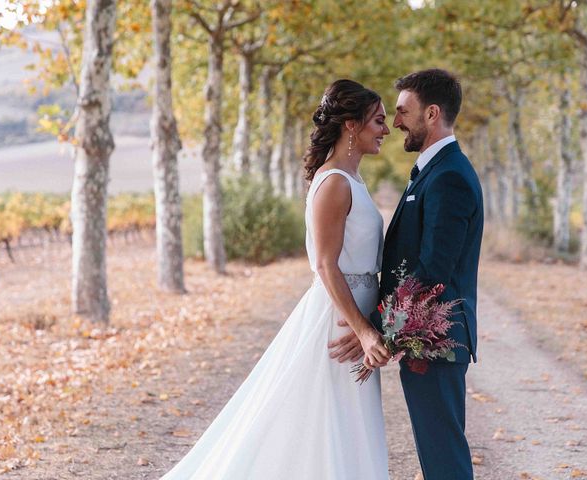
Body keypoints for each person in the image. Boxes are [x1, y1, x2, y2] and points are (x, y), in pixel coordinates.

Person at [160, 79, 392, 480]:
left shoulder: (353, 179)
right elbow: (324, 264)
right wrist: (363, 330)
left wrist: (375, 319)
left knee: (346, 423)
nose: (385, 130)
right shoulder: (334, 182)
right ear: (351, 125)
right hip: (337, 320)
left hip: (357, 313)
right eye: (378, 121)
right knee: (329, 422)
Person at [330, 68, 484, 480]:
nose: (395, 122)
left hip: (438, 340)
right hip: (423, 338)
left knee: (444, 458)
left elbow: (432, 271)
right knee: (438, 455)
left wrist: (375, 328)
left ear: (431, 113)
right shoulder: (434, 172)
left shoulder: (449, 177)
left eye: (402, 111)